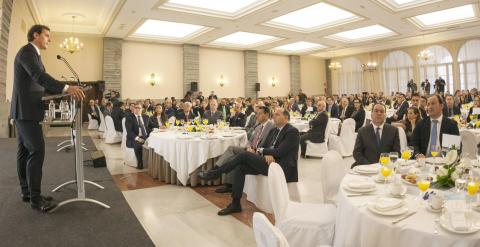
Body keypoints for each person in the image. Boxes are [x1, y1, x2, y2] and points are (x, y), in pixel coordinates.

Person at [11, 24, 85, 212]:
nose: (49, 40)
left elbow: (39, 84)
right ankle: (36, 199)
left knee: (25, 152)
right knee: (37, 151)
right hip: (25, 111)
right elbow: (39, 76)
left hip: (25, 110)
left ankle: (28, 193)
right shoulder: (27, 52)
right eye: (47, 36)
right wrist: (66, 88)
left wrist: (61, 90)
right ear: (36, 35)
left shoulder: (33, 54)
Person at [198, 108, 299, 215]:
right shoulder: (274, 130)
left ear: (286, 118)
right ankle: (235, 203)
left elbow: (280, 152)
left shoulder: (292, 131)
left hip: (281, 167)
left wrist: (264, 151)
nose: (274, 116)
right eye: (274, 114)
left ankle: (215, 173)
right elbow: (265, 146)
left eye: (277, 114)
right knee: (240, 167)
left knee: (244, 155)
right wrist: (268, 152)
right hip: (269, 162)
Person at [213, 106, 274, 193]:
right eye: (256, 113)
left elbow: (272, 143)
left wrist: (261, 151)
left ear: (267, 115)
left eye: (259, 114)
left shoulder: (271, 126)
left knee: (233, 158)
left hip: (259, 153)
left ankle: (227, 183)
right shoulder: (258, 127)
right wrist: (249, 147)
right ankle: (217, 169)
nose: (257, 116)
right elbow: (250, 141)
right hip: (250, 149)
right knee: (231, 149)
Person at [125, 102, 150, 169]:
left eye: (139, 108)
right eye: (135, 107)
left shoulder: (146, 117)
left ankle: (152, 162)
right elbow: (129, 132)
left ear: (142, 109)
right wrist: (138, 138)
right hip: (133, 138)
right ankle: (140, 162)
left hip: (145, 136)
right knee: (138, 145)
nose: (137, 109)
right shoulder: (129, 117)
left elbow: (148, 128)